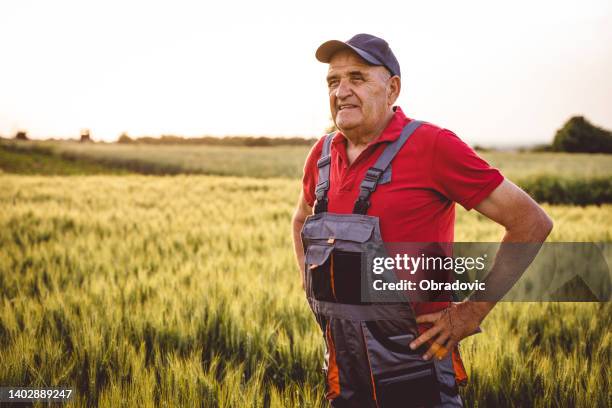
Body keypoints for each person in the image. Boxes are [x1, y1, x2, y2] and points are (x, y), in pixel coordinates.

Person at [291, 33, 553, 407]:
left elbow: (531, 221)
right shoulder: (321, 154)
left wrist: (472, 312)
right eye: (333, 81)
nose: (342, 91)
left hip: (414, 366)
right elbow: (301, 220)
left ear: (392, 89)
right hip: (342, 367)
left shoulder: (432, 146)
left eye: (358, 78)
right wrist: (311, 283)